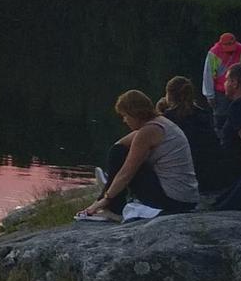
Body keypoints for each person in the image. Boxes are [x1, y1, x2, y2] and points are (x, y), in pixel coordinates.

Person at [79, 89, 200, 221]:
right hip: (187, 198)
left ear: (134, 113)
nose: (124, 120)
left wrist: (104, 199)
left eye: (125, 116)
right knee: (119, 152)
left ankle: (112, 209)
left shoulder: (149, 131)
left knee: (128, 164)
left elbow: (126, 173)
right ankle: (111, 199)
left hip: (174, 201)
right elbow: (118, 146)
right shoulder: (160, 122)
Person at [157, 75, 226, 193]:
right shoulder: (204, 115)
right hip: (210, 175)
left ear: (169, 95)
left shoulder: (167, 119)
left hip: (183, 175)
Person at [202, 32, 241, 133]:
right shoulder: (213, 53)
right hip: (221, 93)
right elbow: (208, 75)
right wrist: (210, 95)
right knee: (221, 120)